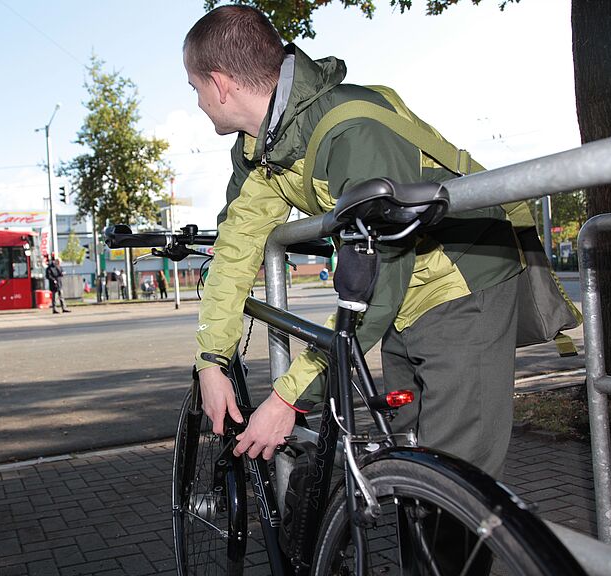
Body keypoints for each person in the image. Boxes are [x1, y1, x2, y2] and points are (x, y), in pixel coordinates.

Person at [184, 6, 522, 479]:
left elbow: (377, 279)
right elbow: (235, 251)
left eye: (195, 88)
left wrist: (287, 399)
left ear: (220, 84)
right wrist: (211, 360)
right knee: (411, 462)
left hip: (461, 281)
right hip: (399, 296)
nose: (198, 102)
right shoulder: (260, 148)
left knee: (454, 476)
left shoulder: (352, 130)